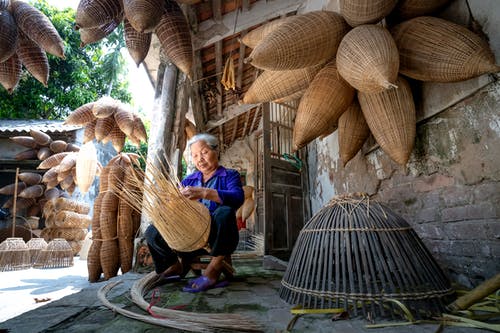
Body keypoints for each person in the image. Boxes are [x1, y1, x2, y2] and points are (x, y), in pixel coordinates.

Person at [145, 133, 244, 292]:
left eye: (204, 152)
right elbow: (175, 208)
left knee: (224, 212)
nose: (200, 159)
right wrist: (169, 204)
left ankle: (214, 268)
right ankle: (173, 266)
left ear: (216, 151)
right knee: (152, 230)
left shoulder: (230, 175)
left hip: (216, 237)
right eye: (195, 155)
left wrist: (205, 193)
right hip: (189, 237)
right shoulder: (188, 181)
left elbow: (238, 198)